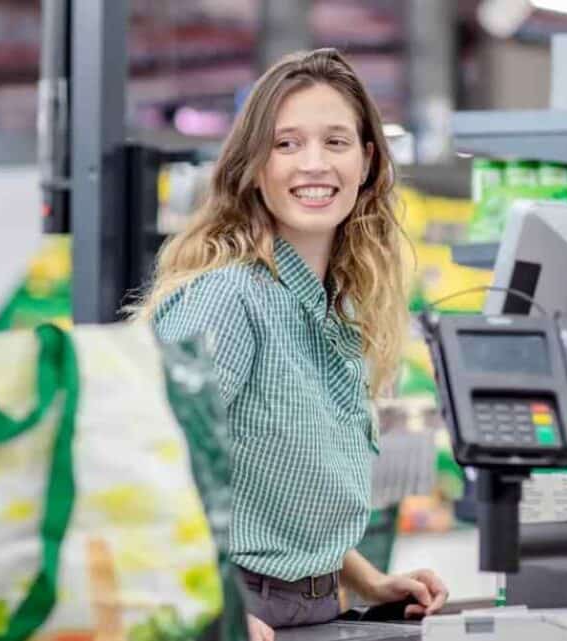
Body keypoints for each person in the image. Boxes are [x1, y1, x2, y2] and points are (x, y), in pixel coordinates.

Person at [136, 49, 448, 639]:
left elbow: (276, 509)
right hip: (236, 612)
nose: (314, 164)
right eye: (286, 144)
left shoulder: (339, 311)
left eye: (335, 142)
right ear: (254, 167)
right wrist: (215, 606)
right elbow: (147, 465)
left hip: (317, 609)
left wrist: (368, 580)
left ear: (367, 162)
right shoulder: (228, 299)